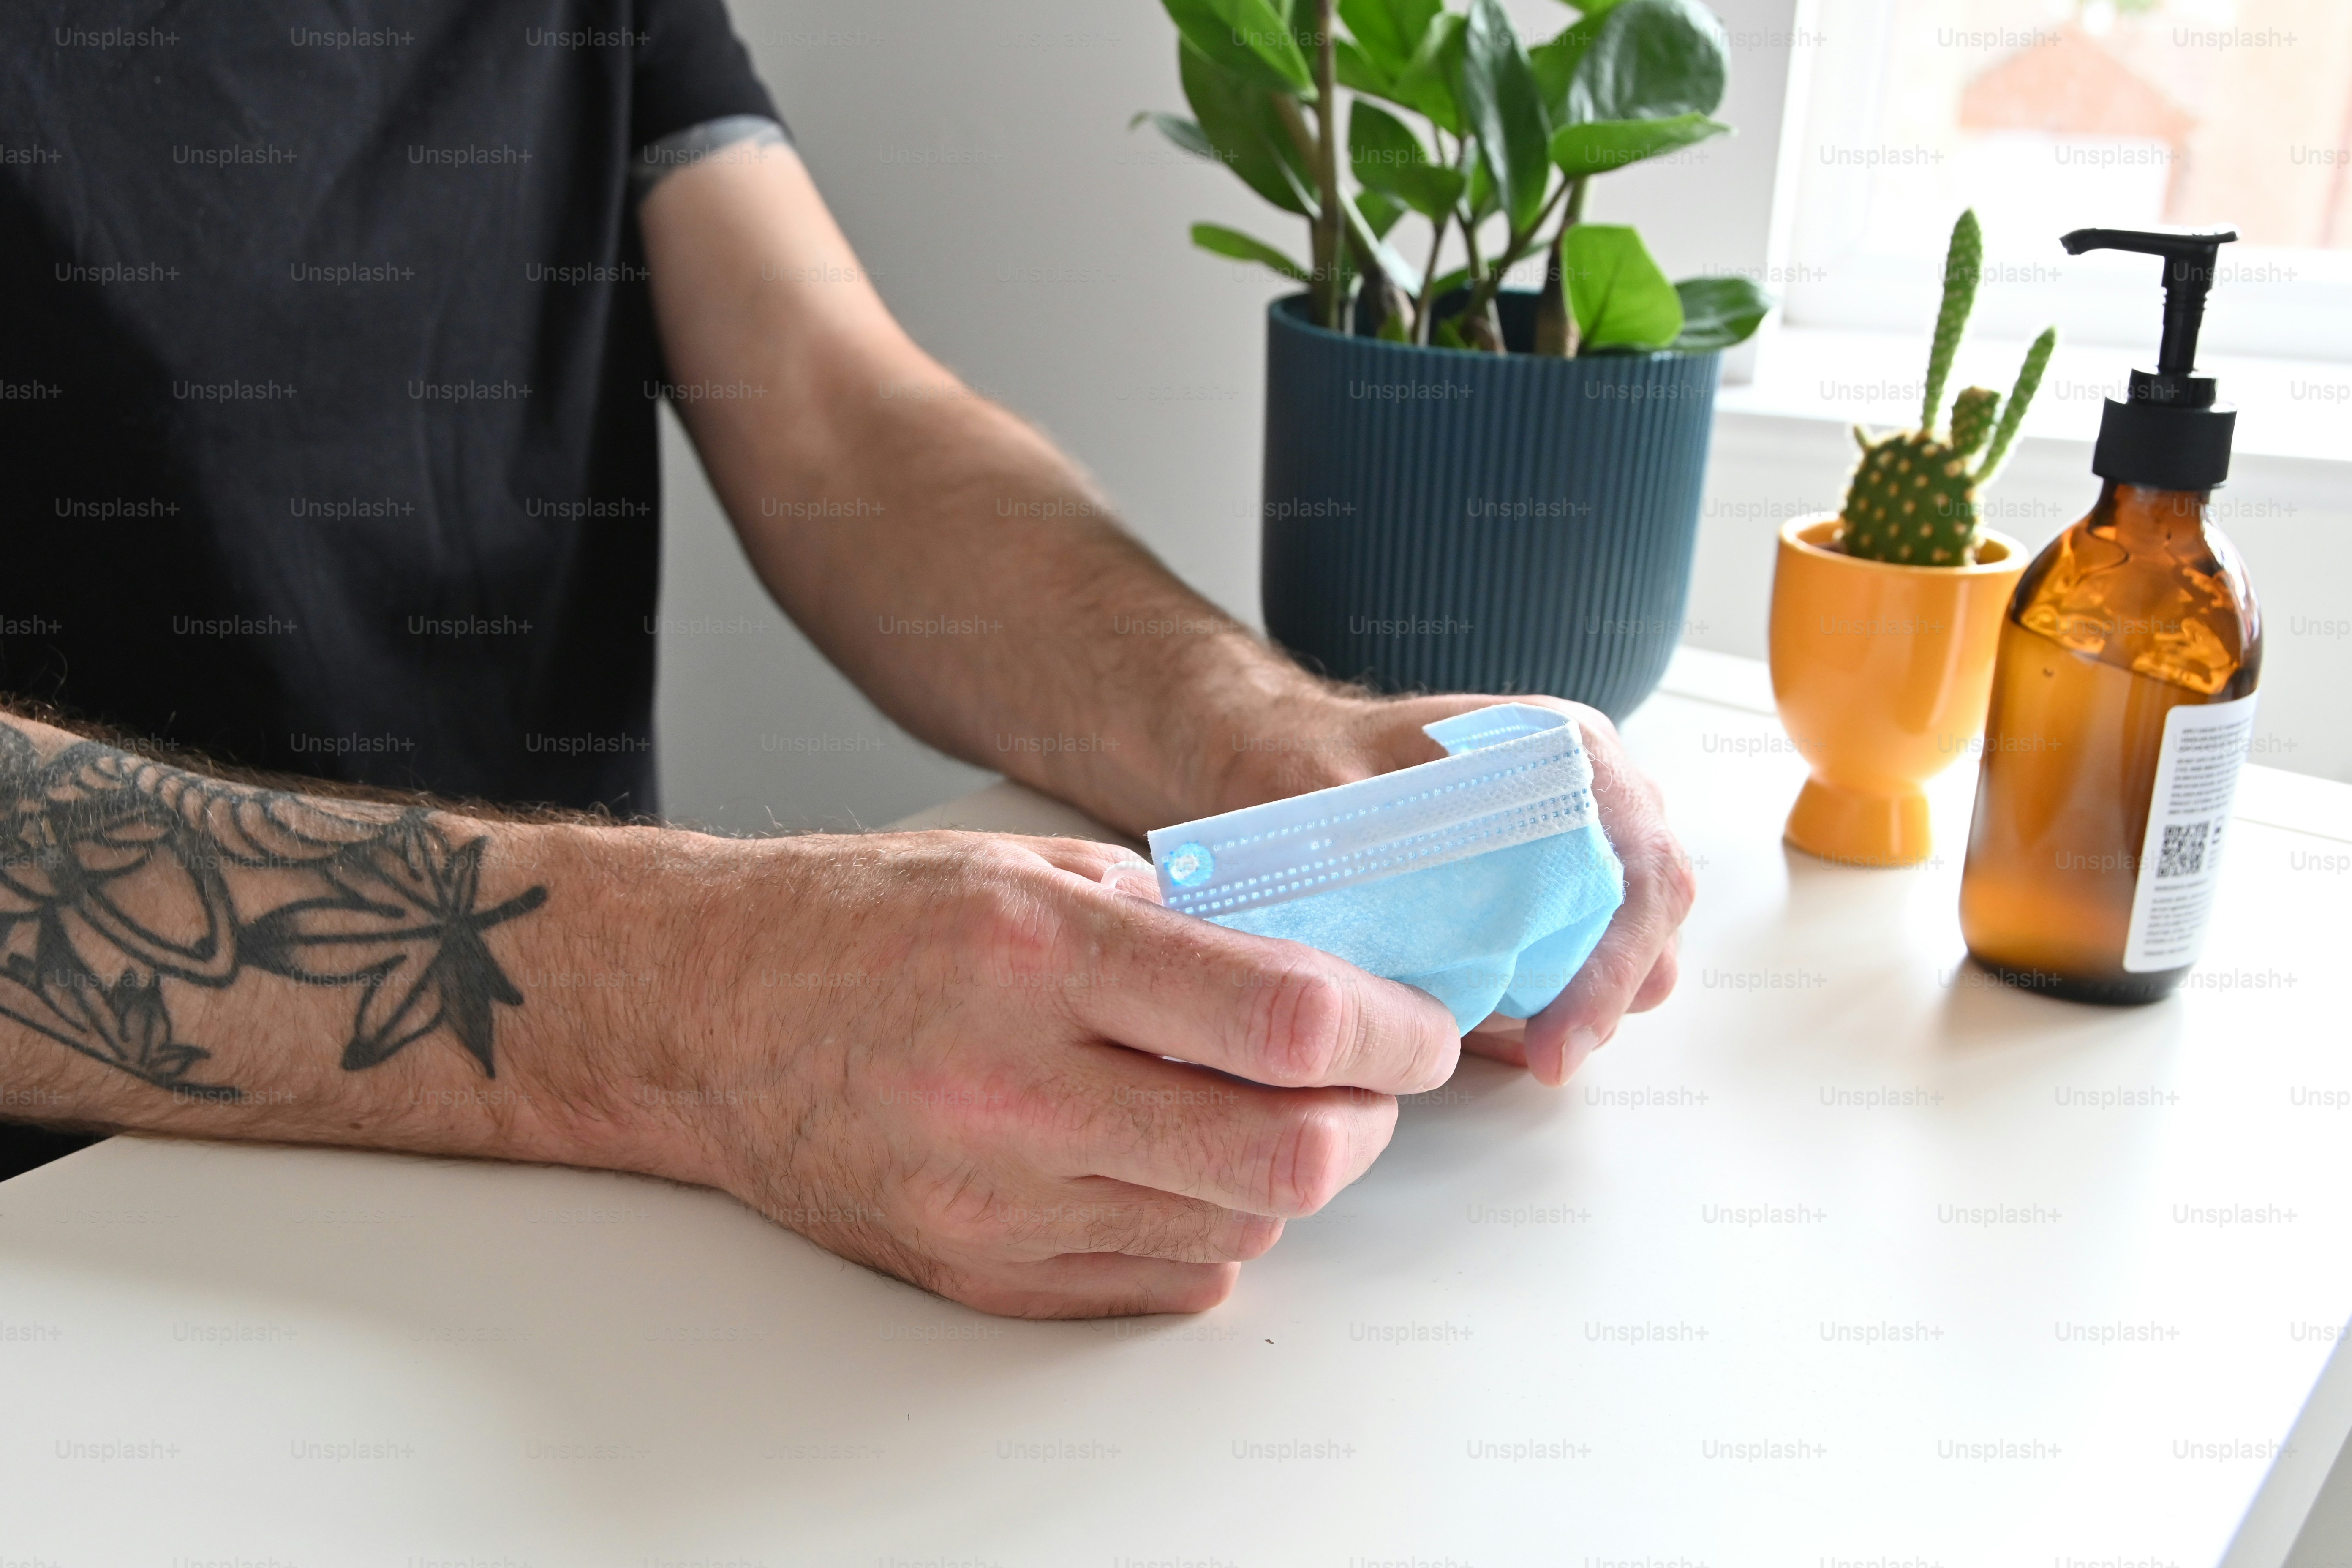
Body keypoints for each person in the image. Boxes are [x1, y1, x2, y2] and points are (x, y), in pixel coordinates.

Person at [0, 1, 1693, 1317]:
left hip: (588, 1232)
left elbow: (830, 406)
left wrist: (1283, 746)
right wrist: (713, 1002)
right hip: (84, 1271)